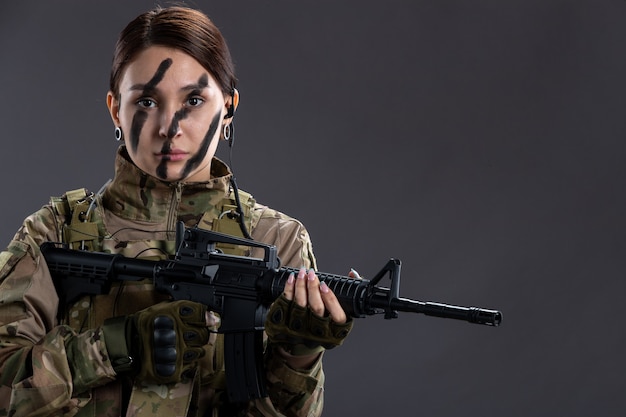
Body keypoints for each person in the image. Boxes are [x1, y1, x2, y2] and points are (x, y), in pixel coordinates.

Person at [0, 6, 354, 417]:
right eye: (147, 100)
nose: (170, 125)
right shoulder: (54, 231)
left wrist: (299, 353)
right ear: (116, 109)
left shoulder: (274, 240)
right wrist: (117, 345)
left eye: (194, 99)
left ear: (228, 108)